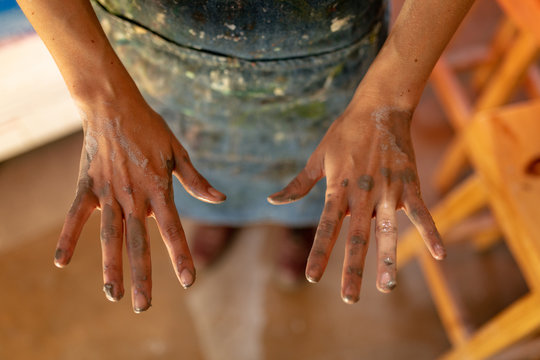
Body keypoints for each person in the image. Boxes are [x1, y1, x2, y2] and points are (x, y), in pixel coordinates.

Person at [17, 0, 474, 313]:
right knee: (189, 169)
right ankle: (224, 214)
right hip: (150, 60)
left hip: (328, 58)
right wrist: (102, 99)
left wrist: (389, 99)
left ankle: (296, 224)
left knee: (320, 176)